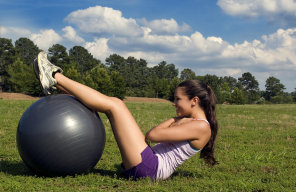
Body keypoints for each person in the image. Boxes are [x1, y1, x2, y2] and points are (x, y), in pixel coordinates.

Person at [33, 51, 218, 180]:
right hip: (149, 163)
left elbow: (152, 135)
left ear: (194, 101)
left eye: (178, 99)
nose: (174, 103)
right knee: (113, 105)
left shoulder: (201, 126)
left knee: (116, 106)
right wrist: (179, 119)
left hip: (151, 169)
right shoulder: (195, 123)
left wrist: (175, 119)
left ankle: (55, 77)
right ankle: (55, 82)